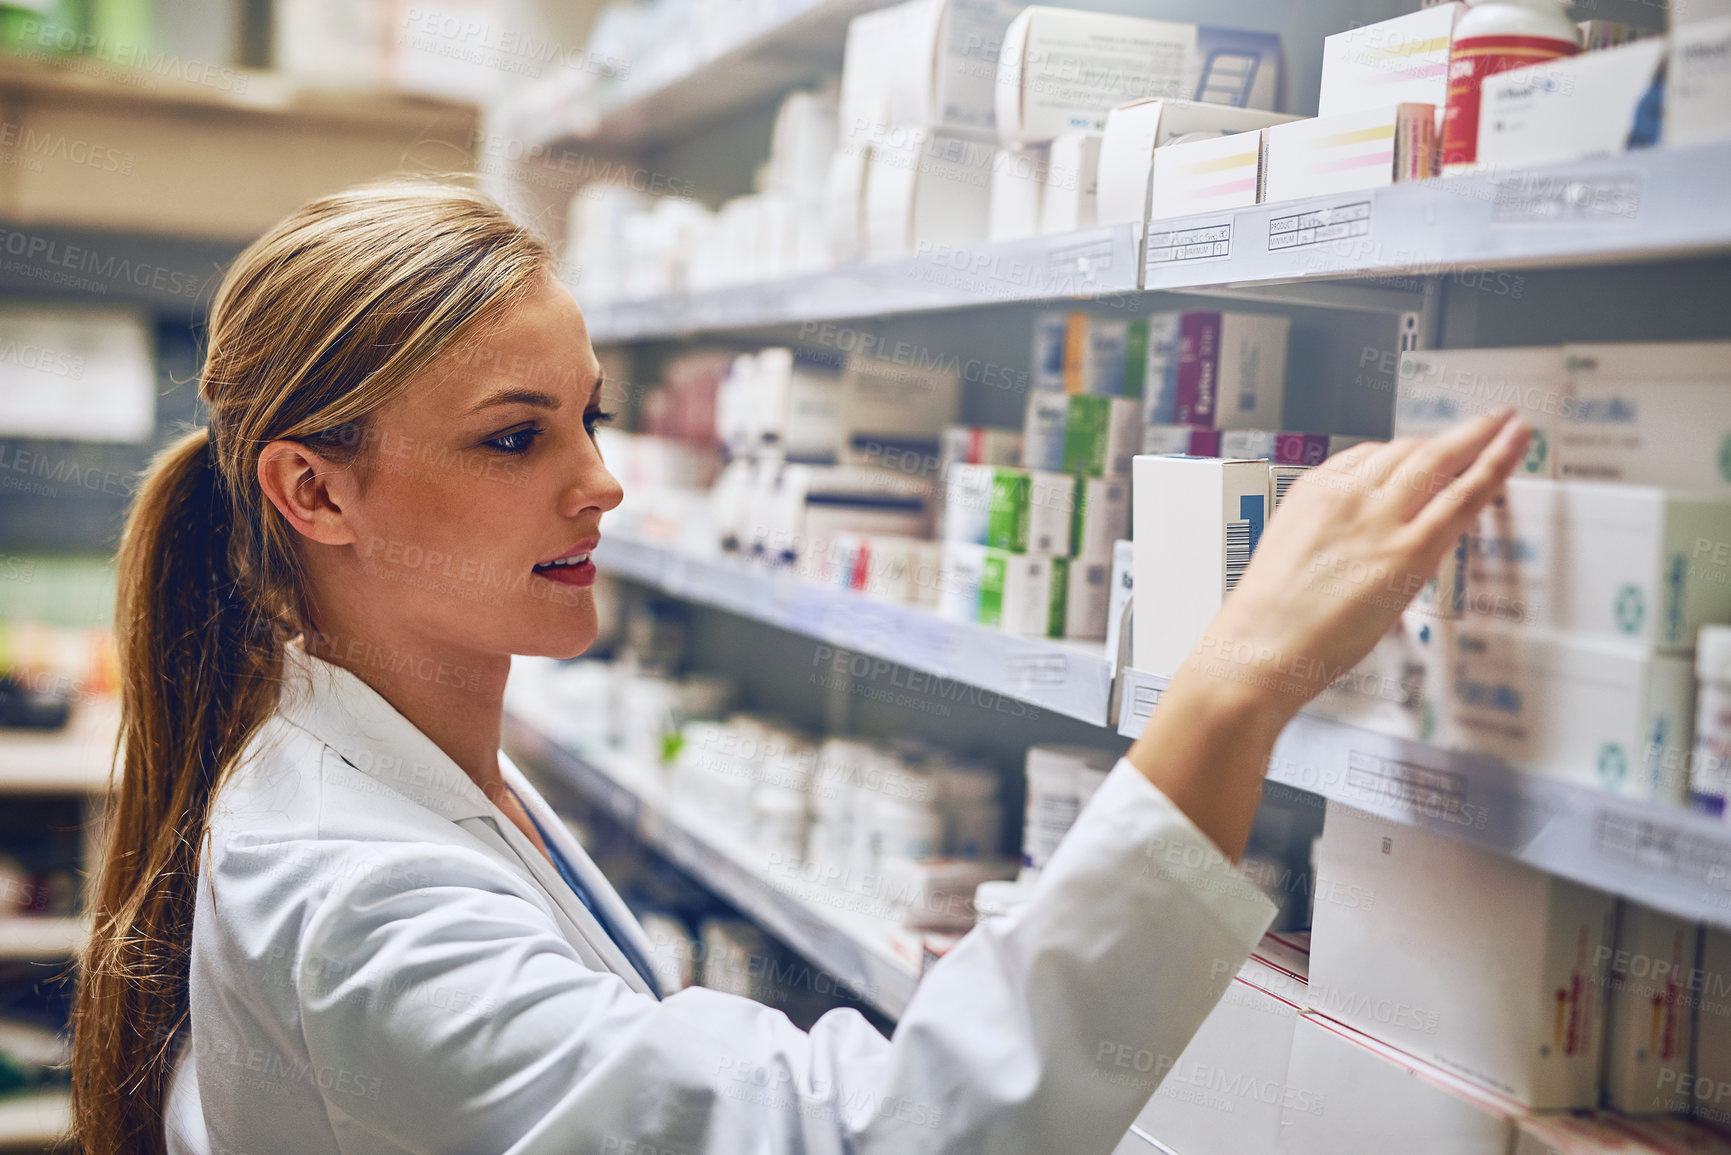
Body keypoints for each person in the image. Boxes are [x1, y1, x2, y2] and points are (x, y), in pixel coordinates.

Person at [68, 181, 1530, 1155]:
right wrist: (1239, 682)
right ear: (314, 495)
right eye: (515, 437)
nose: (603, 486)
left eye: (594, 416)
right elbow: (879, 1139)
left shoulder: (409, 765)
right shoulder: (357, 895)